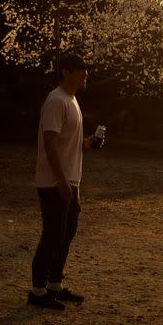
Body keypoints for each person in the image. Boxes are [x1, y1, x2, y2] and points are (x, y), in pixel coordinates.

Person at [29, 51, 98, 310]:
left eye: (85, 69)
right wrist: (60, 182)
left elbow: (65, 141)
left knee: (66, 234)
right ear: (65, 71)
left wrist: (85, 143)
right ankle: (37, 291)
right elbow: (49, 143)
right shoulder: (56, 100)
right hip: (54, 182)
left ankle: (55, 285)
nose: (85, 73)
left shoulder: (72, 100)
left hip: (71, 180)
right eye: (79, 68)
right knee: (52, 235)